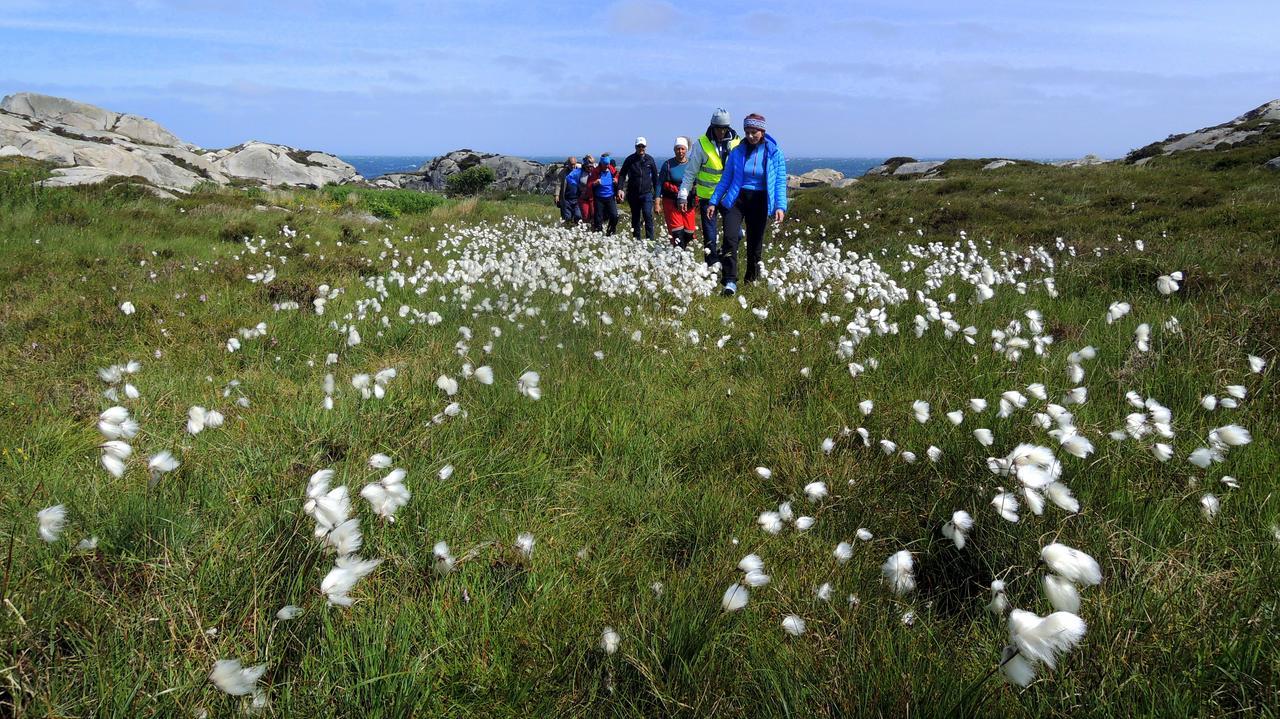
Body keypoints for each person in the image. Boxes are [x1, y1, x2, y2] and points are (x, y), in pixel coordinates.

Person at [707, 113, 786, 296]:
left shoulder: (774, 153)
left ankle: (752, 280)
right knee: (730, 237)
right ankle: (729, 281)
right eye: (747, 132)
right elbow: (726, 179)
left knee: (755, 244)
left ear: (762, 131)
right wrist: (713, 201)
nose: (750, 136)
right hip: (737, 199)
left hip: (760, 201)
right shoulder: (737, 151)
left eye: (754, 132)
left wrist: (780, 207)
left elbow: (780, 181)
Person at [678, 108, 740, 266]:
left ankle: (723, 257)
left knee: (736, 233)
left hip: (728, 197)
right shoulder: (701, 144)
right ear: (712, 126)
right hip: (707, 197)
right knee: (710, 237)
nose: (721, 132)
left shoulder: (737, 142)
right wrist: (683, 195)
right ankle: (711, 267)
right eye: (718, 128)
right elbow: (690, 173)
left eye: (724, 128)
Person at [617, 137, 660, 242]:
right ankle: (636, 241)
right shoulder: (630, 159)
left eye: (643, 146)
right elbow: (622, 174)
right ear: (635, 147)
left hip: (647, 193)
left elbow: (655, 178)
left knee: (647, 215)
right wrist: (620, 189)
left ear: (646, 147)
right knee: (635, 217)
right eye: (639, 146)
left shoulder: (650, 159)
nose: (641, 148)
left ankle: (650, 241)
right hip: (633, 194)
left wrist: (657, 195)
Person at [658, 137, 697, 248]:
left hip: (689, 202)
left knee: (689, 232)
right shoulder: (668, 165)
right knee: (677, 232)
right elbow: (659, 184)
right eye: (678, 149)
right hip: (671, 202)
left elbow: (697, 181)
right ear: (674, 150)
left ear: (686, 150)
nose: (680, 151)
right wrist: (657, 201)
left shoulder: (692, 164)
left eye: (682, 149)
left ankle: (682, 251)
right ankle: (679, 257)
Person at [588, 152, 620, 235]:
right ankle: (599, 233)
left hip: (610, 197)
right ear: (601, 163)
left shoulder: (612, 170)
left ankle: (611, 231)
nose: (607, 166)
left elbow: (618, 177)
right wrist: (595, 183)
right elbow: (589, 185)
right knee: (598, 218)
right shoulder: (595, 171)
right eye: (605, 164)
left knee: (614, 216)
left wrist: (616, 181)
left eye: (608, 164)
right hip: (599, 198)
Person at [553, 156, 582, 225]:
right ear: (568, 163)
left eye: (574, 164)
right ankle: (569, 228)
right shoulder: (563, 172)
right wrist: (556, 195)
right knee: (567, 217)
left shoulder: (580, 171)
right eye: (571, 164)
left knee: (578, 215)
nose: (572, 166)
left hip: (577, 198)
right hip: (566, 199)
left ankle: (576, 228)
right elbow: (558, 184)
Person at [577, 155, 596, 228]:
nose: (590, 168)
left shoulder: (596, 171)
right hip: (583, 198)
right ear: (584, 166)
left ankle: (594, 230)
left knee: (594, 215)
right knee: (585, 215)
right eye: (588, 166)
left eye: (591, 166)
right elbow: (570, 178)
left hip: (593, 198)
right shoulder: (579, 172)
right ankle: (586, 231)